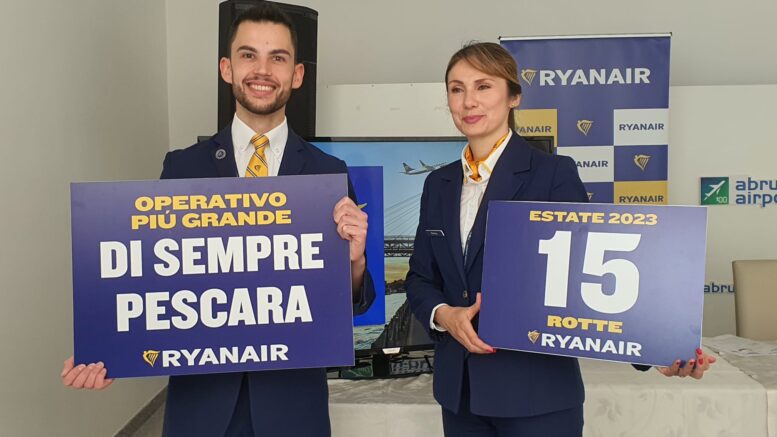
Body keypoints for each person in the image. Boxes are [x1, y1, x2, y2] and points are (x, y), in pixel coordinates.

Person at [61, 4, 374, 436]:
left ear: (297, 74)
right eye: (248, 55)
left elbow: (350, 303)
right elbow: (153, 283)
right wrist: (110, 348)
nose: (262, 70)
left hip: (292, 409)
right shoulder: (182, 169)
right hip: (202, 410)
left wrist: (355, 262)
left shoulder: (328, 173)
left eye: (277, 58)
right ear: (227, 68)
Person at [405, 41, 715, 437]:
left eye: (483, 86)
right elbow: (420, 278)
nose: (469, 101)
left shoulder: (552, 173)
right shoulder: (438, 183)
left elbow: (590, 273)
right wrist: (443, 315)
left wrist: (657, 350)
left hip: (537, 396)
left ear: (513, 96)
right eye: (456, 89)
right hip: (460, 396)